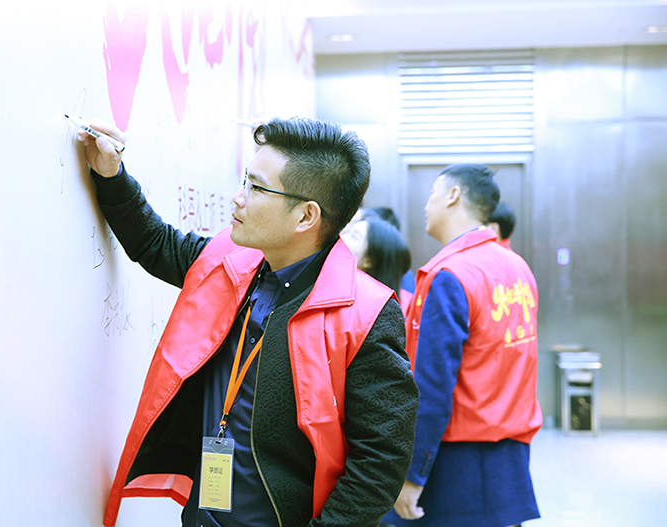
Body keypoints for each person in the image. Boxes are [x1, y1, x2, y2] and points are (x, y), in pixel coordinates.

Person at [77, 117, 419, 527]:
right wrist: (111, 176)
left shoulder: (366, 313)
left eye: (256, 187)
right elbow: (155, 243)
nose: (238, 198)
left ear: (306, 216)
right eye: (245, 181)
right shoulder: (230, 262)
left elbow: (381, 461)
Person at [383, 164, 541, 527]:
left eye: (432, 194)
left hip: (457, 463)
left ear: (453, 195)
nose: (426, 206)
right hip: (510, 457)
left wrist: (413, 474)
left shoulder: (452, 275)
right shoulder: (518, 268)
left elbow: (432, 384)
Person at [341, 214, 413, 309]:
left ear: (368, 262)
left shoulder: (371, 311)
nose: (341, 236)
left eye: (354, 236)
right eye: (347, 231)